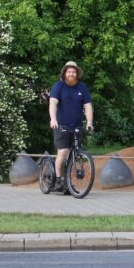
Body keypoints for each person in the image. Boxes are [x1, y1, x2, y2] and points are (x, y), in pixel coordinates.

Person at [49, 61, 94, 191]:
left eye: (73, 72)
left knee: (74, 152)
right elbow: (53, 103)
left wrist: (89, 122)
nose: (71, 74)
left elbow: (88, 106)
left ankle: (68, 183)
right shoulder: (58, 86)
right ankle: (58, 180)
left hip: (76, 126)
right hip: (61, 125)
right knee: (62, 152)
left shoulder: (82, 87)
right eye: (69, 71)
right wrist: (53, 119)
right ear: (64, 73)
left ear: (77, 74)